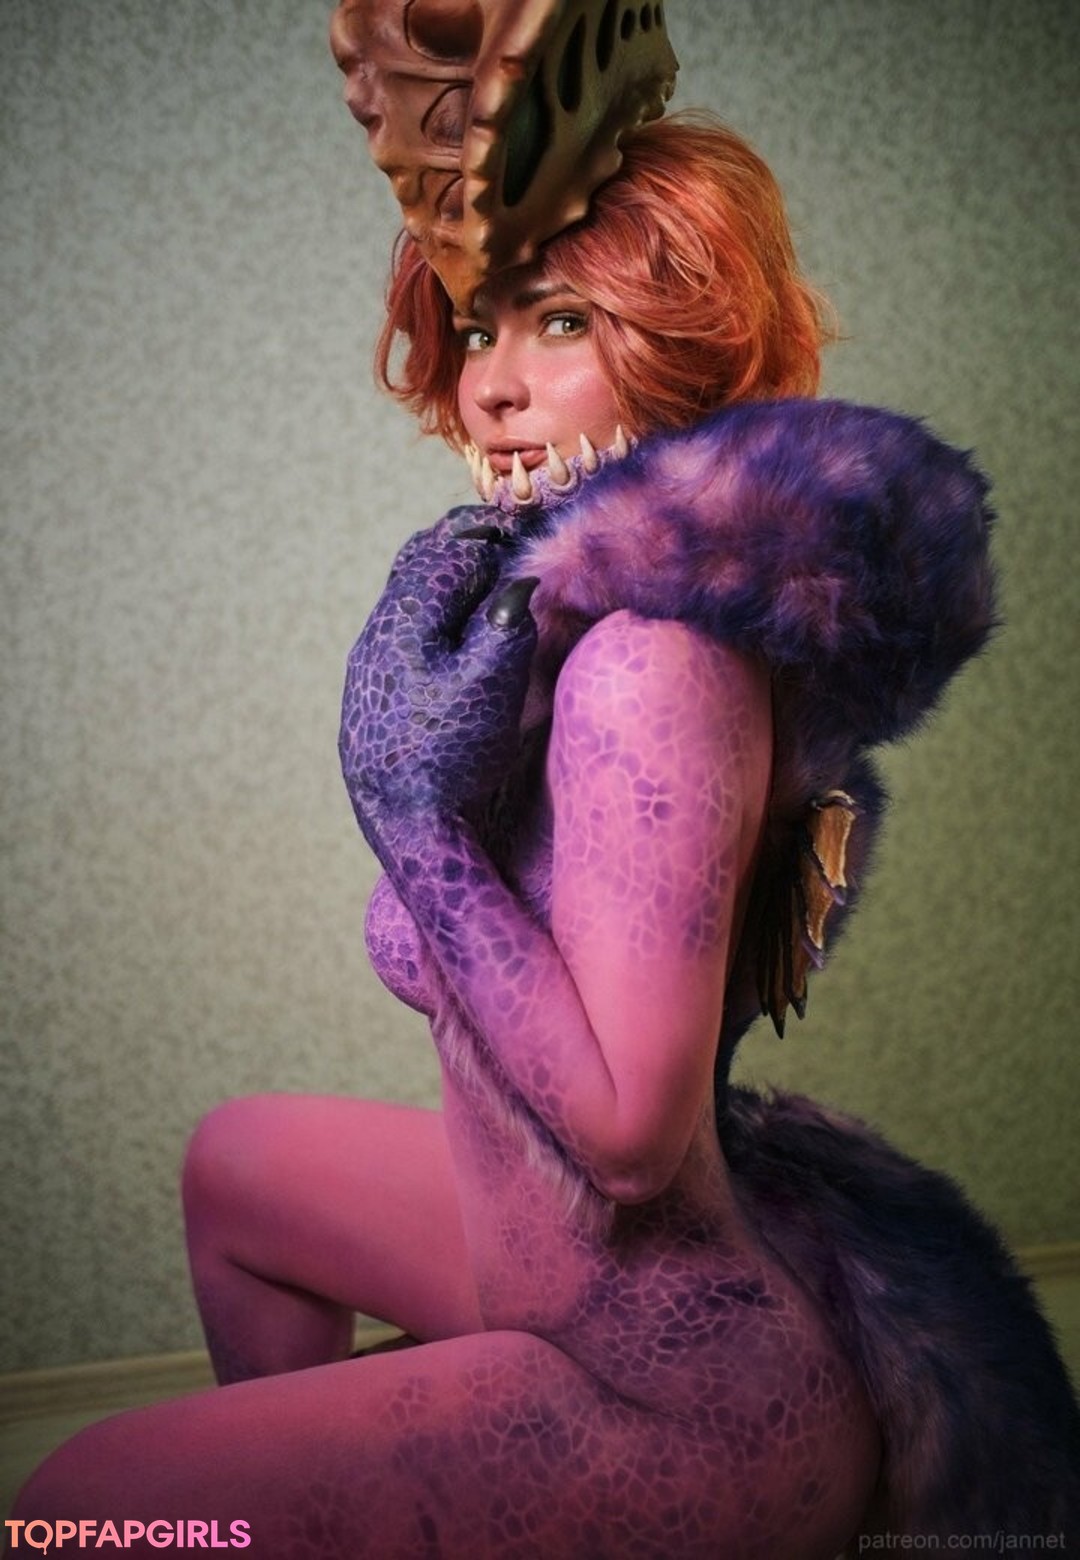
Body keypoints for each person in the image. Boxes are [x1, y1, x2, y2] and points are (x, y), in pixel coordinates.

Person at [12, 67, 1078, 1560]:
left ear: (685, 349)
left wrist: (413, 818)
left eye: (563, 323)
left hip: (680, 1397)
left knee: (73, 1511)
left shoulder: (648, 667)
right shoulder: (557, 643)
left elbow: (630, 1142)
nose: (493, 386)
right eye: (478, 326)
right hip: (558, 1267)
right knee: (237, 1161)